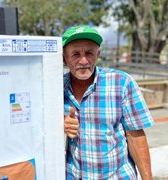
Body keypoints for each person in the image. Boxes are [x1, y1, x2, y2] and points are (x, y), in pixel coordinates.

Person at [63, 25, 154, 179]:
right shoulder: (55, 88)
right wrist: (59, 126)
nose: (83, 60)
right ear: (64, 58)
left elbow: (135, 135)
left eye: (89, 53)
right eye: (75, 54)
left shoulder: (121, 82)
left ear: (97, 54)